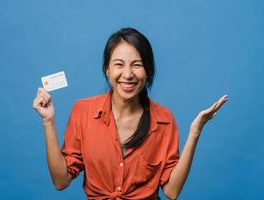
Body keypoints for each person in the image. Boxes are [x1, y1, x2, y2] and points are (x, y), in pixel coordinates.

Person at [32, 27, 228, 200]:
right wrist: (48, 122)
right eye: (119, 64)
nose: (128, 74)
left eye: (137, 64)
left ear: (148, 71)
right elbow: (60, 181)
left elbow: (172, 191)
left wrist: (195, 132)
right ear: (107, 70)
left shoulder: (164, 120)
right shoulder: (83, 111)